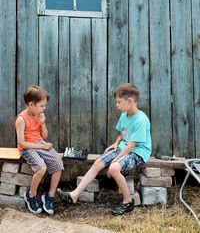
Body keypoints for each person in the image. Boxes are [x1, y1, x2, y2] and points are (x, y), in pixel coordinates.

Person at [57, 83, 151, 215]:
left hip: (138, 151)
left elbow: (132, 145)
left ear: (129, 101)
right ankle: (74, 195)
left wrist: (115, 160)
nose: (116, 105)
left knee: (113, 168)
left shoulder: (141, 120)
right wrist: (115, 143)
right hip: (123, 147)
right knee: (98, 163)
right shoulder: (124, 115)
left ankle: (128, 201)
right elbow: (122, 134)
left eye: (119, 102)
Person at [14, 85, 64, 215]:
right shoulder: (21, 119)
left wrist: (42, 123)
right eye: (41, 106)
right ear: (31, 104)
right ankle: (31, 195)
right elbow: (22, 143)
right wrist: (42, 146)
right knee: (41, 168)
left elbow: (44, 136)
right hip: (28, 148)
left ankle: (50, 196)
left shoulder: (38, 116)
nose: (44, 108)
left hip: (40, 143)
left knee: (58, 164)